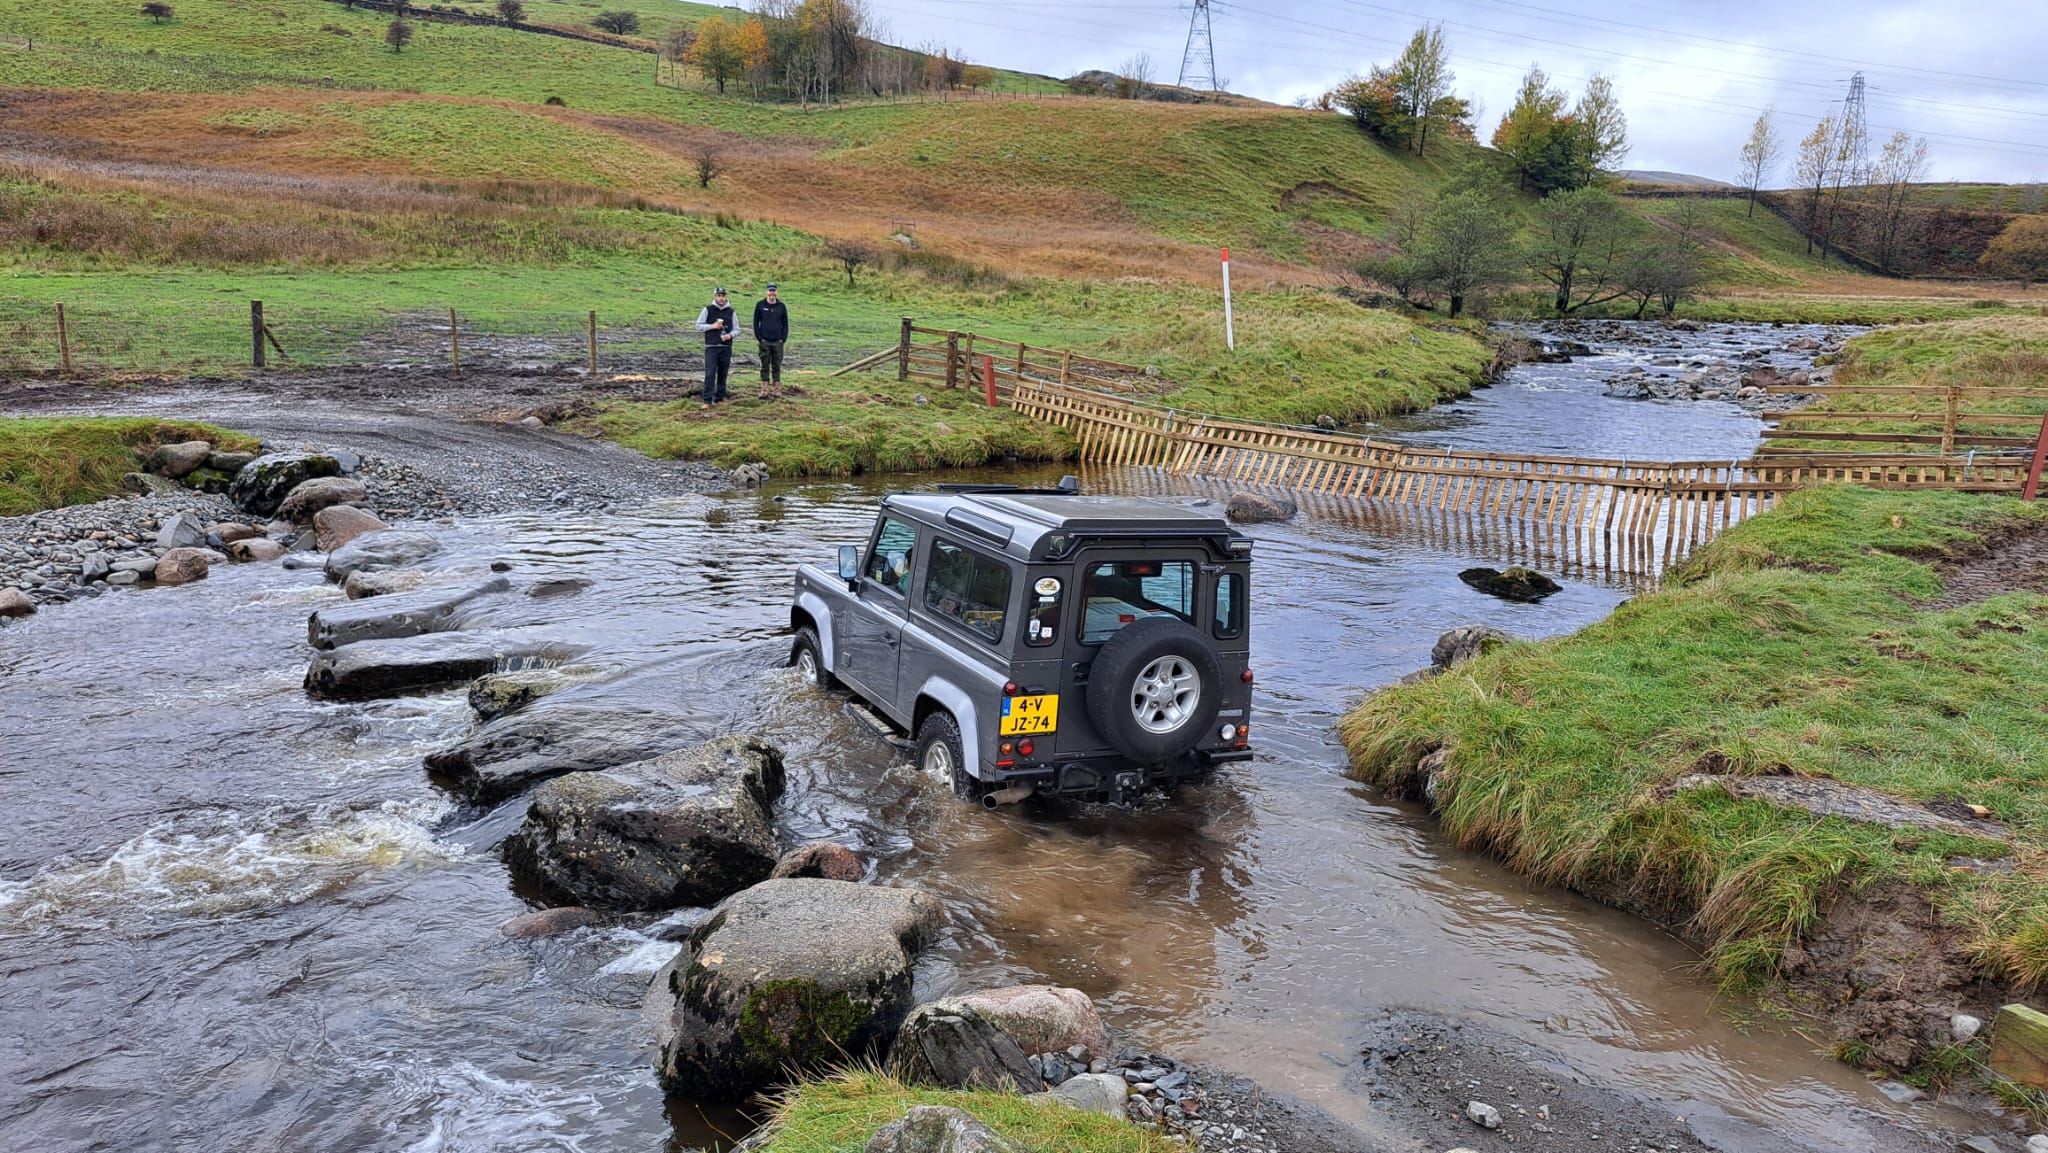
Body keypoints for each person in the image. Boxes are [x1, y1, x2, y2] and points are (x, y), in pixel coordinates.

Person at [694, 287, 739, 406]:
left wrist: (730, 335)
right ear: (715, 297)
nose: (721, 298)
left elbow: (737, 329)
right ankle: (707, 400)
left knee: (723, 374)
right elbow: (698, 326)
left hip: (726, 347)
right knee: (710, 374)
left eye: (723, 296)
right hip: (711, 346)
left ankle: (720, 399)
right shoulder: (707, 310)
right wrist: (711, 326)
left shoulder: (731, 312)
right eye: (719, 296)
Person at [752, 282, 789, 386]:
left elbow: (785, 324)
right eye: (770, 291)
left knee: (776, 366)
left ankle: (777, 389)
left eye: (774, 291)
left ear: (776, 292)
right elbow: (755, 323)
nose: (772, 293)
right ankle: (764, 388)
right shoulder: (760, 305)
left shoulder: (781, 306)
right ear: (766, 292)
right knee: (764, 366)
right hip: (765, 341)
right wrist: (760, 338)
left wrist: (783, 339)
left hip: (778, 341)